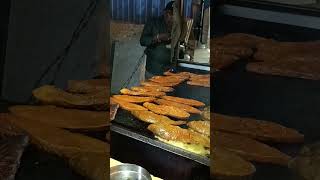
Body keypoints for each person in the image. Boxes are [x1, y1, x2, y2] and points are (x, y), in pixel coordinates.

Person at [140, 1, 175, 77]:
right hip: (154, 70)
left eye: (173, 15)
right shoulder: (153, 22)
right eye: (168, 13)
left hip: (171, 72)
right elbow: (143, 41)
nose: (170, 16)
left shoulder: (179, 26)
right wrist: (158, 37)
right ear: (165, 12)